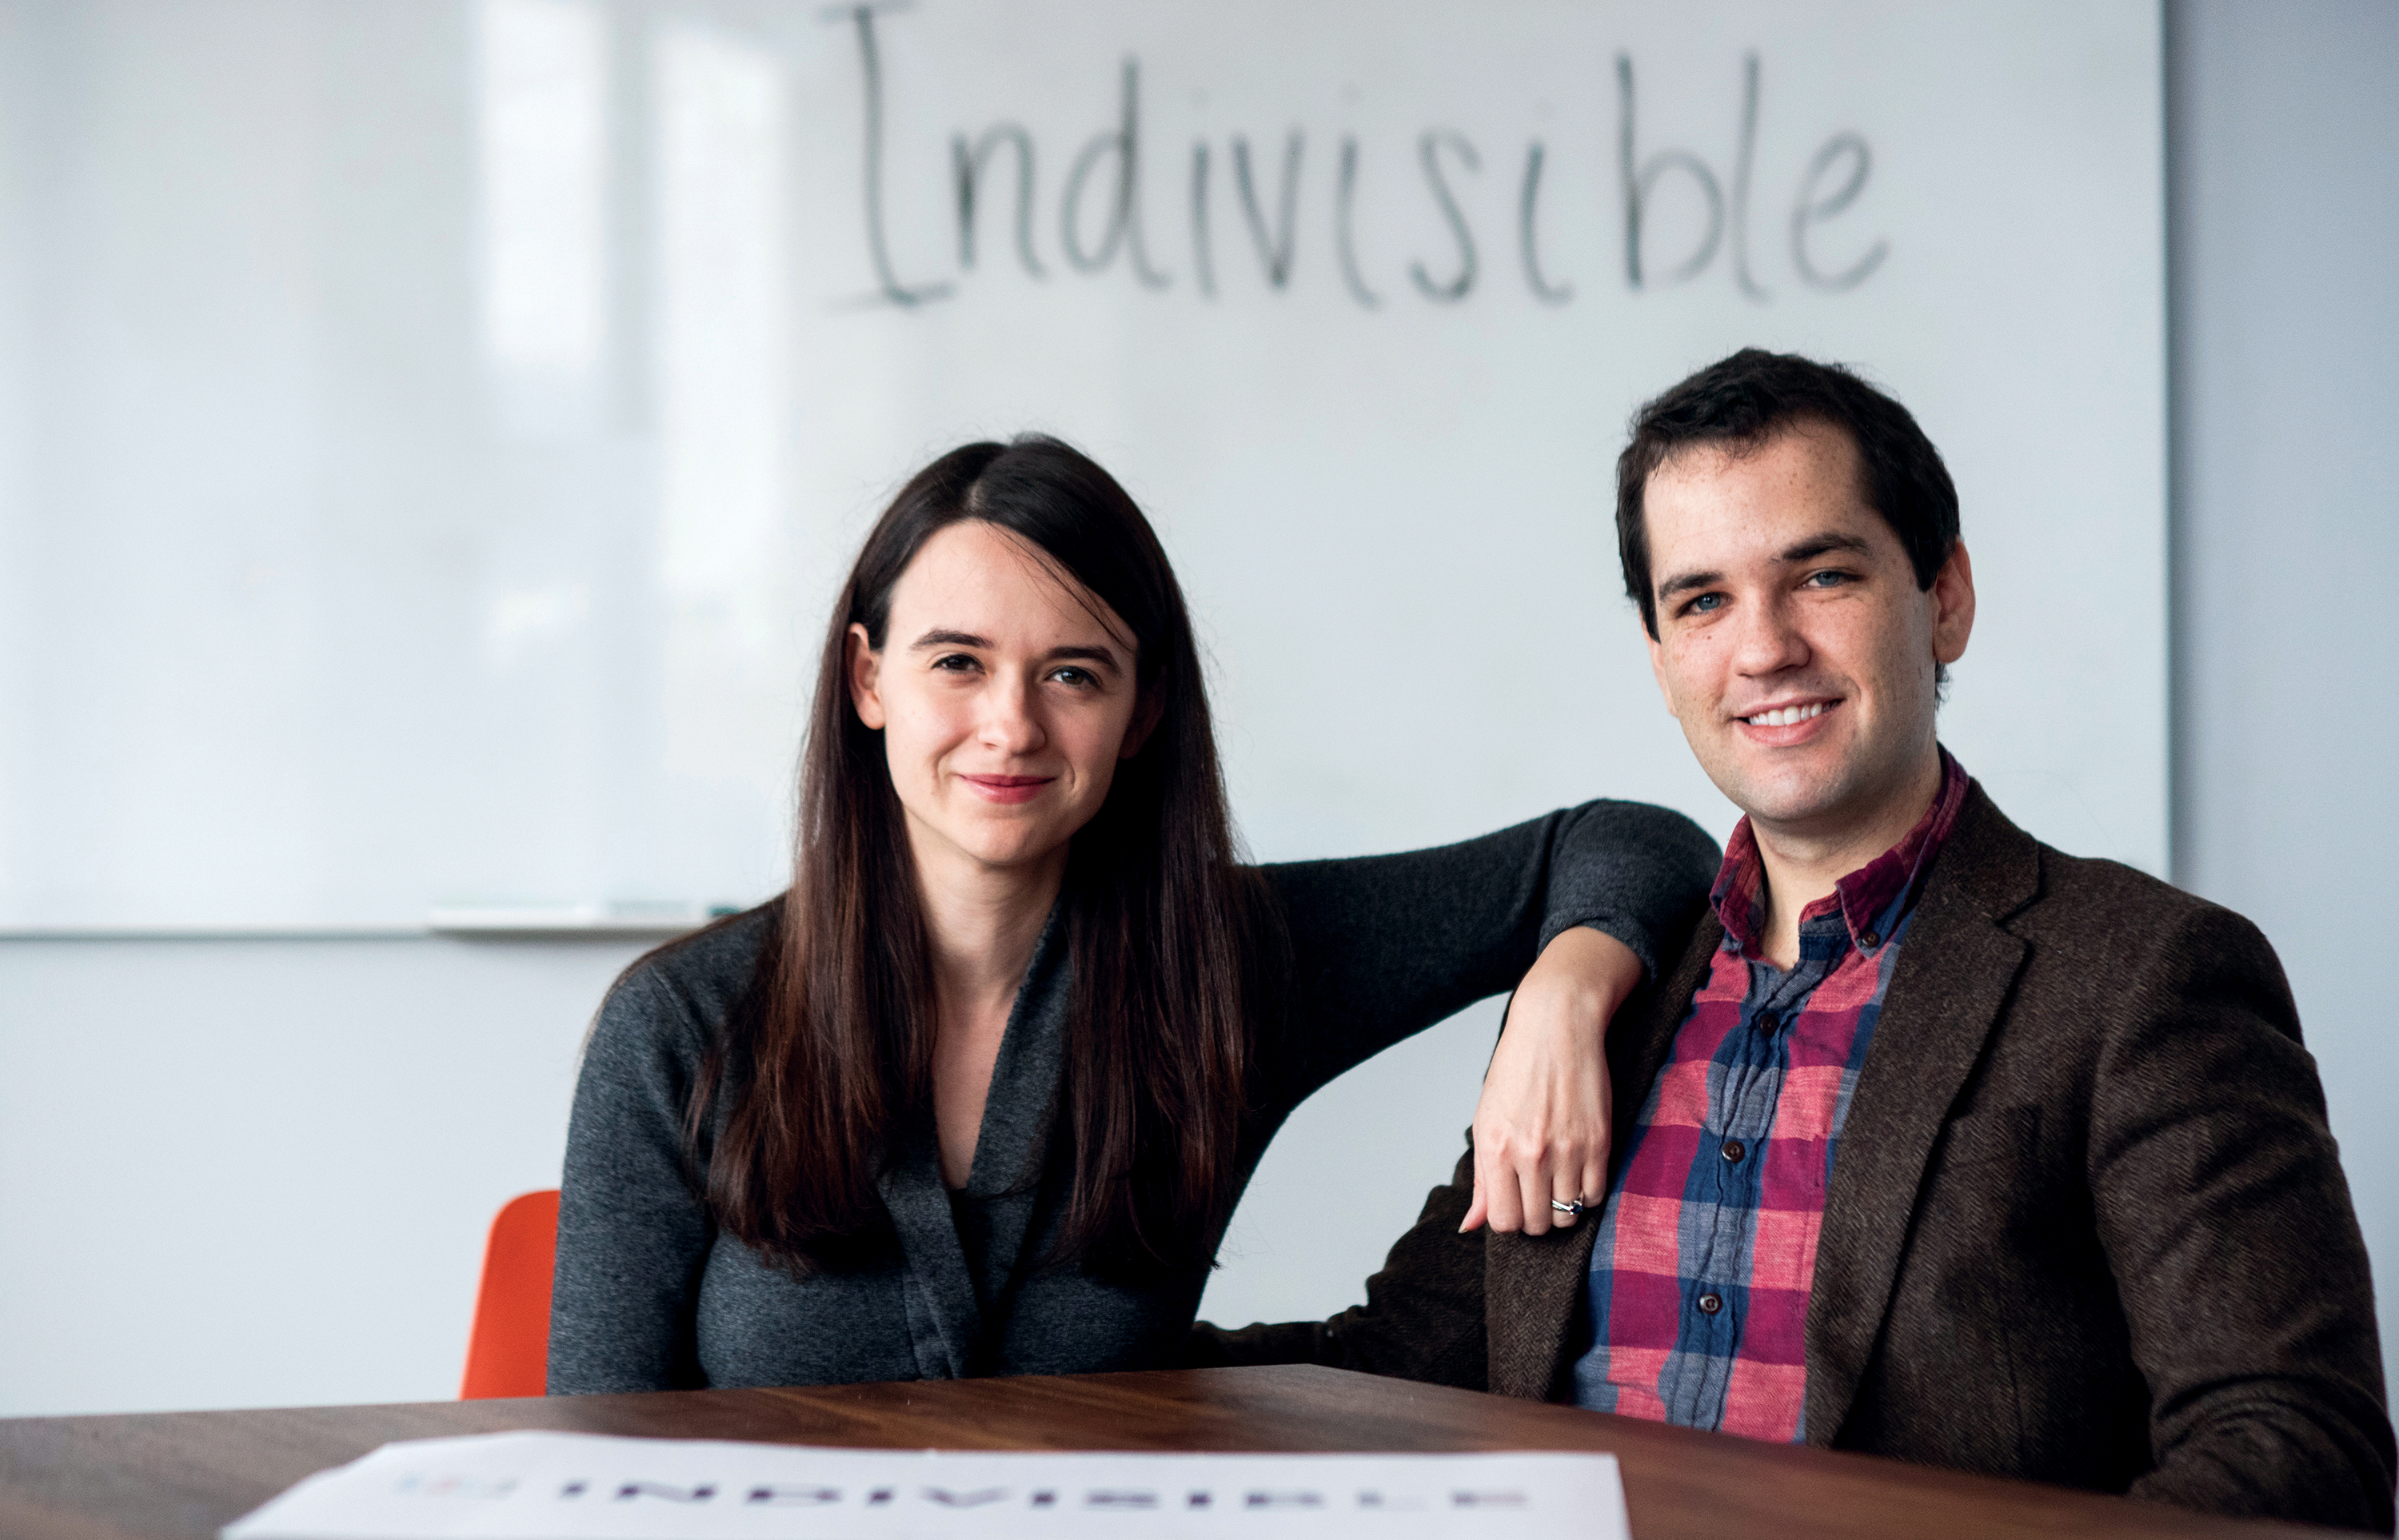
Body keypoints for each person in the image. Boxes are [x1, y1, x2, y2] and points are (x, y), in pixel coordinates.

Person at [1189, 351, 2397, 1531]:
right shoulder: (1609, 989)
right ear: (1663, 663)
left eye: (1821, 575)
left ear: (1947, 598)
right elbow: (1398, 1369)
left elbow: (2295, 1445)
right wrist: (1043, 1366)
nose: (1763, 646)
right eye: (1702, 599)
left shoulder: (2144, 973)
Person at [548, 434, 1717, 1392]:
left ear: (1143, 707)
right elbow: (593, 1473)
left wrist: (1561, 998)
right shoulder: (680, 1024)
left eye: (1072, 672)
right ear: (868, 679)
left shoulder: (1223, 964)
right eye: (957, 662)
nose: (1011, 726)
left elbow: (1635, 842)